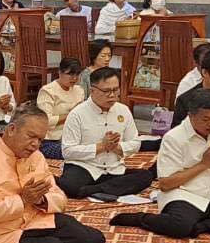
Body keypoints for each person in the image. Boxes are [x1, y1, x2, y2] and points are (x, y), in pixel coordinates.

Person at [112, 90, 210, 239]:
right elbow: (166, 184)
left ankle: (201, 227)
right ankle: (142, 218)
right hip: (182, 197)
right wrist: (204, 164)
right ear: (191, 116)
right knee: (180, 226)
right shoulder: (174, 137)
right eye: (206, 119)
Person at [0, 109, 106, 243]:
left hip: (38, 220)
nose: (35, 145)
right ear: (11, 129)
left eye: (40, 140)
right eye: (31, 137)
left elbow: (60, 199)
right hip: (2, 233)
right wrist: (23, 201)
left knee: (93, 240)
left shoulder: (36, 156)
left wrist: (41, 200)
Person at [58, 66, 154, 199]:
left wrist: (117, 147)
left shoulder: (123, 110)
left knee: (145, 176)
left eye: (115, 90)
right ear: (92, 91)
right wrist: (101, 147)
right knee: (69, 185)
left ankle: (93, 190)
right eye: (107, 91)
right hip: (85, 167)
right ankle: (108, 189)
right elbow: (67, 151)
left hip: (113, 169)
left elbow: (135, 142)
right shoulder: (77, 114)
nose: (112, 95)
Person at [35, 57, 85, 157]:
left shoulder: (79, 90)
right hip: (50, 140)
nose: (74, 78)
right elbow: (45, 121)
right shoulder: (48, 91)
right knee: (75, 153)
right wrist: (72, 114)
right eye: (70, 74)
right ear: (60, 72)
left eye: (77, 74)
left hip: (73, 138)